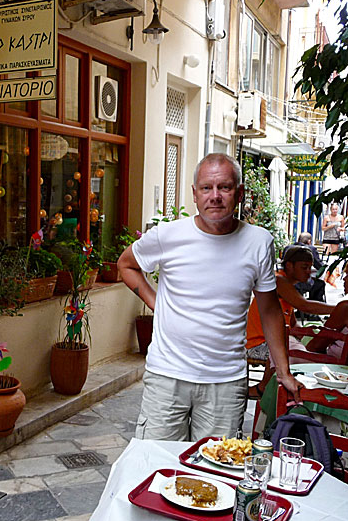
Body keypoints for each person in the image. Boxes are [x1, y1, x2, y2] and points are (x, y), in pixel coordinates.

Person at [117, 153, 301, 442]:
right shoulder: (167, 235)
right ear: (194, 194)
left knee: (216, 471)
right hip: (168, 376)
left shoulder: (259, 242)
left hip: (225, 382)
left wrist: (284, 372)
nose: (214, 196)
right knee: (156, 465)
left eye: (224, 187)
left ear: (239, 193)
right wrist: (157, 303)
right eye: (206, 188)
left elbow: (269, 310)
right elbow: (126, 265)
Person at [246, 246, 336, 398]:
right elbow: (304, 305)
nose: (309, 271)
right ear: (289, 265)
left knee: (308, 351)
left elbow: (293, 324)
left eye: (310, 267)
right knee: (291, 353)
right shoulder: (279, 281)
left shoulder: (288, 287)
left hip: (272, 340)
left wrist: (307, 335)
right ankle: (265, 390)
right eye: (304, 267)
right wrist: (341, 309)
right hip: (258, 344)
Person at [284, 232, 326, 304]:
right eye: (305, 267)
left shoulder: (288, 248)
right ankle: (313, 307)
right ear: (309, 241)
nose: (308, 271)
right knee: (320, 283)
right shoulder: (309, 249)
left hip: (288, 279)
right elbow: (319, 266)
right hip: (299, 283)